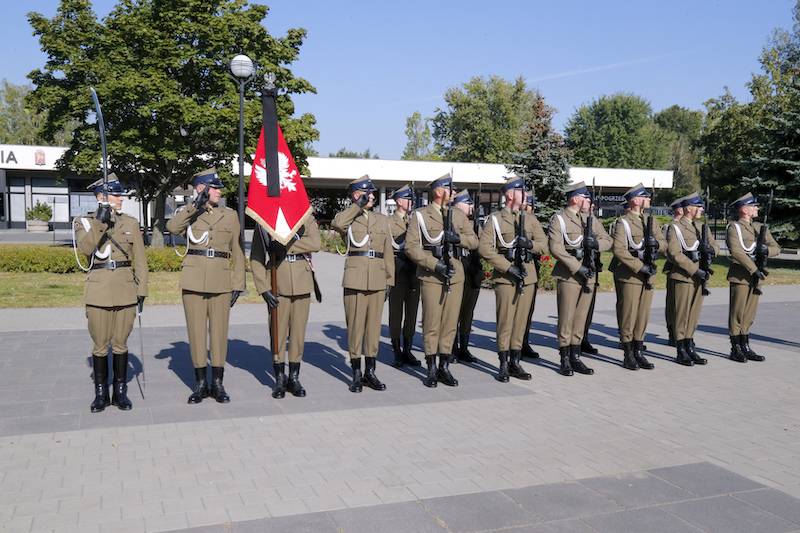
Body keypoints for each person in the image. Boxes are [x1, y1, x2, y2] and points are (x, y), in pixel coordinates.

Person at [166, 168, 245, 403]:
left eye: (219, 188)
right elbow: (172, 228)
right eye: (215, 187)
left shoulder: (230, 215)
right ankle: (200, 384)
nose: (220, 191)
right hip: (194, 280)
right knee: (196, 332)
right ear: (201, 189)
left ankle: (217, 384)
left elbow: (238, 251)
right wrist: (194, 206)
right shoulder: (189, 213)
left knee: (219, 334)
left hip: (221, 280)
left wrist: (238, 283)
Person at [74, 176, 148, 412]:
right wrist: (100, 223)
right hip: (98, 290)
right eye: (116, 194)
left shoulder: (130, 223)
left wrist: (142, 290)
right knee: (100, 345)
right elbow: (85, 249)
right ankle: (101, 394)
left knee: (121, 343)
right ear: (101, 197)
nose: (121, 198)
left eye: (120, 194)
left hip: (125, 289)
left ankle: (120, 392)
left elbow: (140, 261)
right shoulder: (84, 222)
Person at [405, 174, 479, 387]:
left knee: (449, 323)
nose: (453, 192)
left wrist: (458, 239)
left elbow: (474, 241)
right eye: (449, 188)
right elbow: (411, 247)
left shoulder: (458, 215)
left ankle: (444, 366)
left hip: (455, 275)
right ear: (438, 191)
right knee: (431, 323)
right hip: (432, 275)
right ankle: (431, 368)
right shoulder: (421, 215)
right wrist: (434, 264)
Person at [478, 177, 548, 382]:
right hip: (506, 277)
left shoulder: (531, 219)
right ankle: (503, 363)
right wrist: (507, 267)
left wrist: (530, 245)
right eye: (520, 190)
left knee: (520, 322)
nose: (525, 194)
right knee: (505, 321)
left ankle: (515, 362)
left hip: (527, 276)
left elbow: (544, 244)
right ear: (509, 194)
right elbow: (485, 249)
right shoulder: (495, 219)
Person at [331, 176, 395, 392]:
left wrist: (389, 280)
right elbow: (337, 224)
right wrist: (356, 206)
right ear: (357, 194)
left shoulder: (382, 219)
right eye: (368, 193)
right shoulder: (349, 217)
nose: (373, 197)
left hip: (377, 278)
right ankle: (356, 374)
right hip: (356, 278)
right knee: (356, 327)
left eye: (373, 193)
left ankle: (370, 372)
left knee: (373, 329)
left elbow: (388, 252)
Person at [250, 216, 321, 398]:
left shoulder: (305, 217)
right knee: (277, 333)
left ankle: (294, 378)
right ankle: (280, 379)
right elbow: (256, 256)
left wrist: (284, 245)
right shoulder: (264, 220)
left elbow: (315, 243)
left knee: (298, 333)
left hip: (302, 280)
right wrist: (263, 288)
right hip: (277, 283)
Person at [548, 182, 612, 376]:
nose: (589, 201)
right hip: (569, 274)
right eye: (586, 197)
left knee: (581, 317)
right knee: (566, 317)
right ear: (575, 199)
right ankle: (564, 358)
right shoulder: (559, 219)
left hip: (589, 274)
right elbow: (556, 247)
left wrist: (595, 244)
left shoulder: (590, 219)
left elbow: (608, 240)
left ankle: (576, 356)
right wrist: (577, 268)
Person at [609, 184, 666, 370]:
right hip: (631, 275)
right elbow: (619, 250)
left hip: (648, 274)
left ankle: (639, 350)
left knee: (643, 314)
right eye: (645, 197)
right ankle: (628, 353)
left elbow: (664, 244)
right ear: (635, 200)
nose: (648, 199)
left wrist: (656, 244)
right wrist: (640, 266)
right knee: (629, 313)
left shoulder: (651, 221)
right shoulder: (623, 222)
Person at [725, 192, 780, 362]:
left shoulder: (759, 227)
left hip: (757, 276)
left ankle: (745, 345)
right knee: (738, 312)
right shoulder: (734, 227)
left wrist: (767, 250)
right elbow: (736, 251)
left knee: (749, 313)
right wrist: (754, 269)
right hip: (741, 276)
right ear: (744, 209)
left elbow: (776, 247)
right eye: (753, 206)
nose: (757, 208)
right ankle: (735, 347)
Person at [665, 192, 719, 366]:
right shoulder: (675, 228)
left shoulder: (703, 227)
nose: (701, 209)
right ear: (689, 209)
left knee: (693, 314)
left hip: (700, 277)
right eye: (698, 206)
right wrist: (695, 270)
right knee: (681, 314)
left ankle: (689, 345)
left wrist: (711, 250)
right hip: (684, 276)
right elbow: (674, 253)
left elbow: (716, 246)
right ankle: (680, 349)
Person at [387, 185, 421, 368]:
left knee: (412, 313)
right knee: (396, 313)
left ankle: (408, 349)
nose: (411, 202)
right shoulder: (389, 222)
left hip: (413, 270)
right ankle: (396, 350)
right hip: (398, 270)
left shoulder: (415, 221)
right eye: (408, 199)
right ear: (399, 201)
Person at [452, 189, 483, 364]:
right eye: (467, 203)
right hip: (459, 268)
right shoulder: (452, 222)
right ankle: (452, 347)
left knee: (468, 312)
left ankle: (464, 347)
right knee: (455, 311)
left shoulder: (475, 224)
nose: (470, 206)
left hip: (473, 271)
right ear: (458, 205)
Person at [521, 191, 545, 360]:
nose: (529, 208)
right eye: (528, 205)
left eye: (531, 205)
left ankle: (524, 341)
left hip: (531, 266)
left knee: (529, 308)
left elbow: (542, 245)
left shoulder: (533, 222)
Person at [664, 196, 686, 346]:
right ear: (678, 210)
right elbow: (667, 250)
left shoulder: (688, 226)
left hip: (687, 268)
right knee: (673, 303)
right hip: (674, 267)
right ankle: (672, 331)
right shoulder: (669, 227)